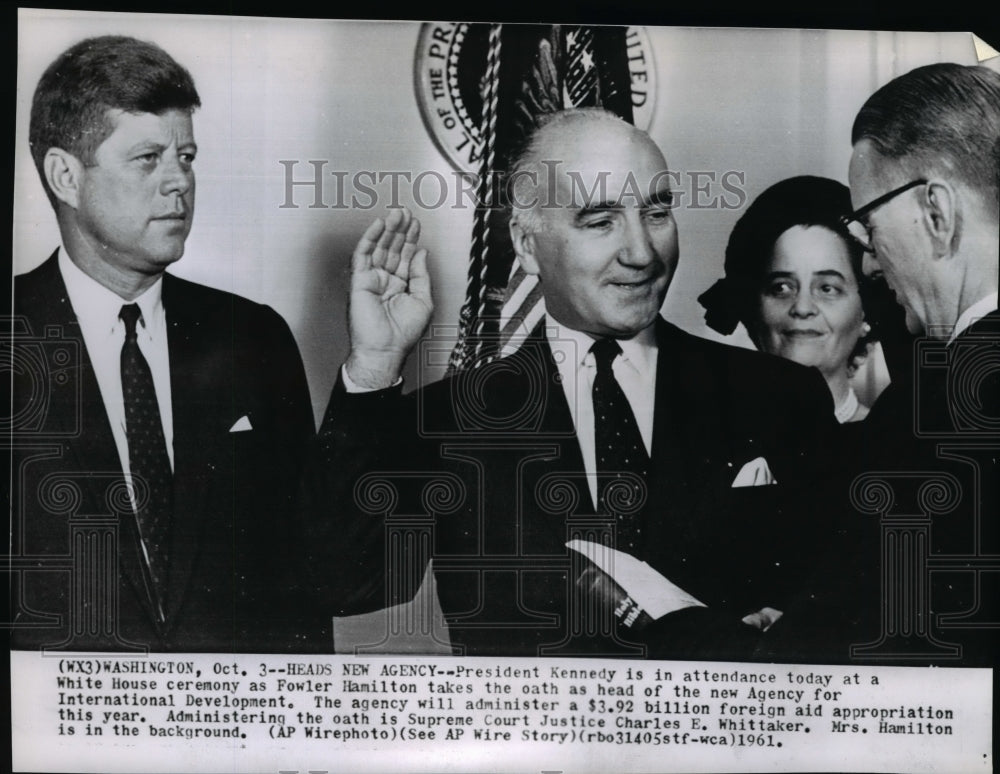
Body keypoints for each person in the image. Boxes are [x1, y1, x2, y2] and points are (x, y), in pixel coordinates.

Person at [304, 108, 841, 659]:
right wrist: (374, 365)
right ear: (528, 244)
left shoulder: (779, 396)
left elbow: (839, 602)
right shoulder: (450, 420)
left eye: (656, 213)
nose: (642, 253)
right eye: (600, 221)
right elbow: (343, 584)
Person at [10, 36, 314, 652]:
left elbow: (322, 581)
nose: (180, 182)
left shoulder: (253, 339)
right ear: (65, 176)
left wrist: (371, 370)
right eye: (148, 158)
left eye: (188, 156)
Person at [765, 63, 999, 665]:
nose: (870, 266)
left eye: (869, 229)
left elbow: (827, 676)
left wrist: (656, 618)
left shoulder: (932, 411)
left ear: (937, 214)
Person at [699, 176, 876, 423]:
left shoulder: (896, 450)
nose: (802, 308)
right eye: (781, 288)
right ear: (755, 308)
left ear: (866, 312)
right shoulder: (709, 442)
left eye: (827, 288)